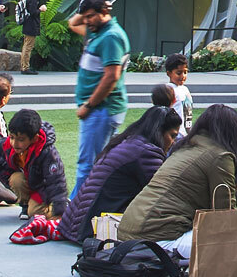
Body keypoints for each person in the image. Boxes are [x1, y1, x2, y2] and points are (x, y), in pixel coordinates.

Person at [120, 104, 237, 252]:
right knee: (229, 243)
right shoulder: (220, 156)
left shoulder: (186, 147)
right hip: (156, 242)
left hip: (127, 234)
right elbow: (225, 219)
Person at [61, 101, 182, 240]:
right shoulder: (147, 153)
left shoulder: (128, 142)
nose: (173, 142)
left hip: (73, 224)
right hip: (91, 228)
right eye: (172, 136)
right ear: (159, 131)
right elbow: (164, 194)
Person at [72, 0, 132, 193]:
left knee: (88, 166)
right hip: (101, 110)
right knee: (95, 164)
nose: (86, 21)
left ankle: (76, 211)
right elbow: (73, 23)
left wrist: (88, 105)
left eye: (90, 16)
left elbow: (111, 76)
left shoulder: (110, 37)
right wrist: (88, 10)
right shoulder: (100, 31)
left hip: (101, 110)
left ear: (104, 13)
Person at [0, 107, 68, 220]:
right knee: (16, 179)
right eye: (12, 137)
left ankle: (51, 207)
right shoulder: (6, 146)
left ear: (34, 139)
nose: (15, 143)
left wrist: (60, 210)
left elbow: (57, 182)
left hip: (43, 188)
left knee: (36, 214)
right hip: (28, 182)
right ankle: (25, 205)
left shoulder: (47, 152)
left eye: (21, 139)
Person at [13, 0, 45, 72]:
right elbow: (32, 12)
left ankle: (24, 66)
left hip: (28, 24)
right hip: (31, 25)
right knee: (28, 46)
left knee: (27, 45)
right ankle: (25, 67)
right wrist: (41, 9)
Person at [163, 52, 197, 133]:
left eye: (185, 72)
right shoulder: (168, 90)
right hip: (174, 133)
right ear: (169, 73)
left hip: (185, 133)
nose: (183, 76)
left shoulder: (185, 89)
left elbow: (188, 113)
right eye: (179, 73)